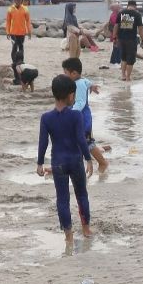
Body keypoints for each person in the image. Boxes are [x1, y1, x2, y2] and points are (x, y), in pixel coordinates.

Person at [38, 75, 94, 241]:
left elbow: (43, 143)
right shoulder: (76, 115)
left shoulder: (46, 118)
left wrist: (40, 163)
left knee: (62, 199)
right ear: (70, 95)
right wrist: (89, 159)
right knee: (82, 195)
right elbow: (80, 139)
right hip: (75, 160)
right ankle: (86, 229)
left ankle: (68, 235)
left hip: (58, 163)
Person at [63, 57, 108, 172]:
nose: (64, 75)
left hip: (82, 118)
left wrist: (71, 113)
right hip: (79, 117)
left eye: (66, 73)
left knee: (87, 142)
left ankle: (102, 163)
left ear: (74, 73)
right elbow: (86, 81)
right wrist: (91, 85)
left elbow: (81, 102)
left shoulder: (78, 85)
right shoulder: (80, 81)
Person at [5, 0, 33, 86]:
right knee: (14, 49)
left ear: (21, 1)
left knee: (21, 50)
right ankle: (15, 65)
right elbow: (8, 22)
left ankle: (21, 64)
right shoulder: (10, 9)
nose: (18, 1)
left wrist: (29, 31)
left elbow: (28, 21)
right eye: (17, 0)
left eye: (20, 0)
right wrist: (7, 32)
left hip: (22, 33)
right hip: (13, 33)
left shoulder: (25, 9)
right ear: (14, 0)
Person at [116, 0, 143, 82]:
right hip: (131, 40)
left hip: (121, 39)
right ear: (135, 6)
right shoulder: (137, 14)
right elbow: (140, 29)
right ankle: (128, 77)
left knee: (123, 58)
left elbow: (116, 26)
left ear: (128, 5)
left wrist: (115, 38)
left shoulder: (121, 13)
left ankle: (123, 75)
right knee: (130, 59)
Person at [103, 3, 122, 70]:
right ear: (114, 8)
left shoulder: (116, 14)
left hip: (115, 34)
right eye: (118, 6)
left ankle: (113, 61)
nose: (120, 7)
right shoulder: (114, 15)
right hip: (116, 34)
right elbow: (116, 25)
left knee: (116, 48)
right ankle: (117, 62)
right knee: (117, 48)